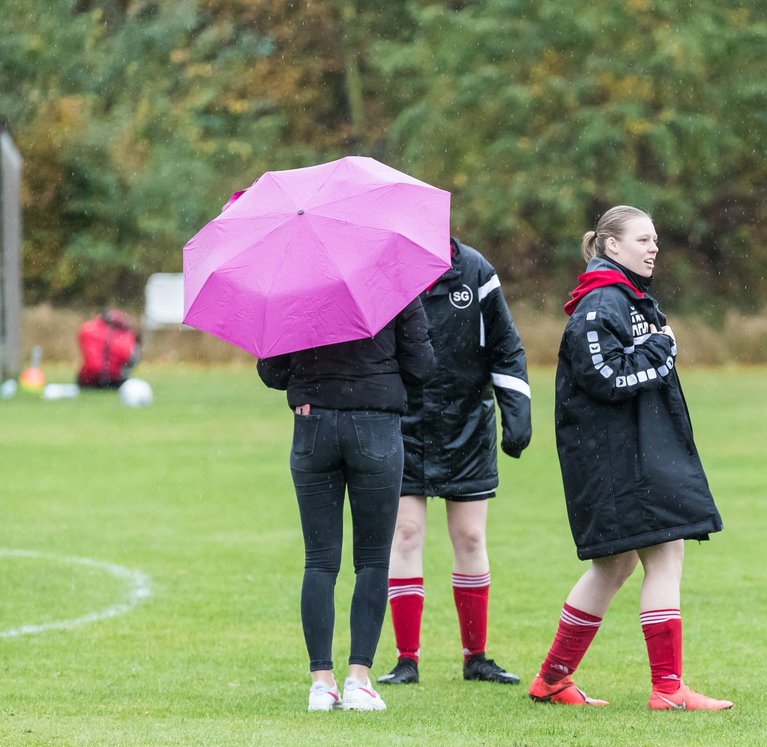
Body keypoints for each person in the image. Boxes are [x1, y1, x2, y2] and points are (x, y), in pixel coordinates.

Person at [527, 205, 731, 711]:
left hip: (632, 453)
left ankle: (552, 679)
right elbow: (607, 379)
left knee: (614, 565)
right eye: (643, 239)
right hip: (617, 460)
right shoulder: (600, 304)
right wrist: (662, 350)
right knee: (663, 553)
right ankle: (667, 689)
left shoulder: (627, 299)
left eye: (655, 239)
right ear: (611, 246)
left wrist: (657, 345)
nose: (653, 247)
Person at [257, 297, 434, 712]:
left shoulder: (297, 287)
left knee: (319, 561)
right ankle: (358, 679)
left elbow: (272, 371)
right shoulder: (394, 286)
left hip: (312, 423)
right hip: (375, 424)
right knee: (372, 560)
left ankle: (321, 683)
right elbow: (423, 367)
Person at [377, 238, 531, 687]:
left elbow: (506, 346)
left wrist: (516, 413)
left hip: (465, 422)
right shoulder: (385, 271)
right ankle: (407, 660)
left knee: (469, 534)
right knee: (404, 534)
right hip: (403, 422)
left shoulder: (475, 270)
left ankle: (476, 657)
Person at [76, 309, 139, 389]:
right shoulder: (126, 335)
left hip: (87, 381)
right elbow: (132, 361)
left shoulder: (87, 329)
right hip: (115, 382)